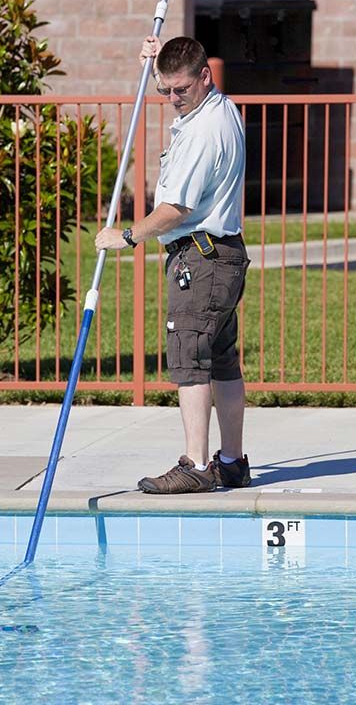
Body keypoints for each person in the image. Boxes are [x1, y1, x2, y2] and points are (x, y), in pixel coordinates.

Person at [95, 35, 251, 494]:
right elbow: (182, 63)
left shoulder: (204, 131)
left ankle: (197, 465)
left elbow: (175, 209)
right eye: (164, 90)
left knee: (190, 360)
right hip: (220, 255)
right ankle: (231, 461)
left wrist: (125, 236)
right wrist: (157, 56)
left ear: (206, 76)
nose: (171, 98)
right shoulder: (217, 107)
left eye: (179, 89)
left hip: (200, 259)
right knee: (221, 360)